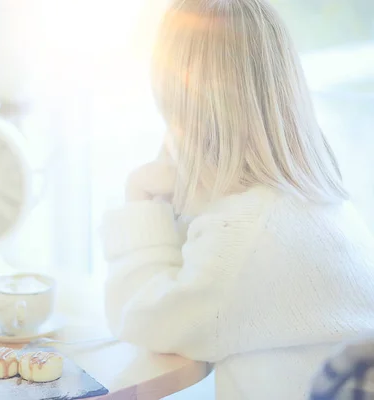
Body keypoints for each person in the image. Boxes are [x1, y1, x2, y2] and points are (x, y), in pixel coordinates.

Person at [100, 0, 374, 399]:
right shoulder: (315, 203)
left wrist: (140, 202)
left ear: (182, 112)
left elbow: (140, 318)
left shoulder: (245, 235)